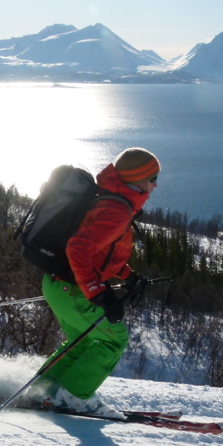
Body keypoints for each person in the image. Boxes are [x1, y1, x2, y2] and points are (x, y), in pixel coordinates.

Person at [38, 147, 159, 418]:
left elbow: (101, 252)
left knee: (80, 341)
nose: (155, 184)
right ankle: (74, 397)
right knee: (113, 340)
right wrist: (98, 293)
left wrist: (126, 275)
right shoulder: (116, 209)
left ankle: (46, 389)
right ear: (136, 178)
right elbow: (78, 248)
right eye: (152, 177)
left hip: (56, 285)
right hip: (75, 289)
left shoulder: (108, 198)